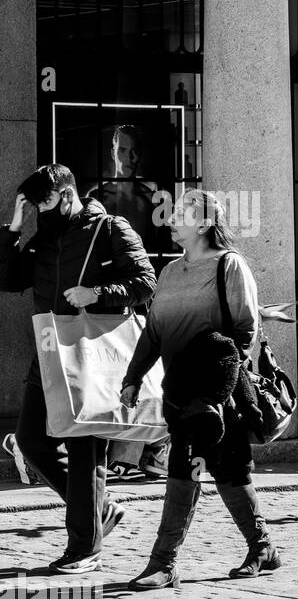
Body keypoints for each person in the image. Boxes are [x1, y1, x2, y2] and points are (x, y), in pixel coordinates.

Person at [0, 164, 156, 573]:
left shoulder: (109, 228)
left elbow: (146, 281)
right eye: (34, 204)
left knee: (85, 450)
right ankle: (99, 508)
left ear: (67, 195)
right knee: (31, 440)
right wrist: (14, 228)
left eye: (46, 201)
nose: (41, 209)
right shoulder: (43, 236)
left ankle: (84, 549)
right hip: (50, 351)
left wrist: (97, 293)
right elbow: (7, 278)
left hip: (91, 353)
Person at [120, 190, 278, 589]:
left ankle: (164, 563)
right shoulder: (170, 272)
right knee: (226, 471)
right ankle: (263, 548)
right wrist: (133, 377)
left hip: (214, 396)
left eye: (180, 214)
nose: (171, 219)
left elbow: (245, 332)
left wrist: (218, 390)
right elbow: (153, 333)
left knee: (190, 468)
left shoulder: (229, 265)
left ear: (204, 224)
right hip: (178, 391)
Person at [88, 125, 172, 482]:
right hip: (112, 306)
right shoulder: (97, 197)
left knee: (149, 380)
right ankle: (127, 454)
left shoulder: (154, 196)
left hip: (149, 298)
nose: (128, 158)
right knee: (123, 380)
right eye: (121, 151)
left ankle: (135, 453)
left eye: (133, 151)